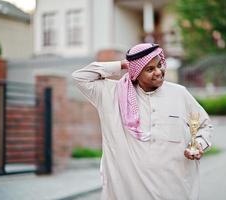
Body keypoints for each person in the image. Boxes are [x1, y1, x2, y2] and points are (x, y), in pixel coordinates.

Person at [72, 43, 213, 200]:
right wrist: (123, 64)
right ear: (136, 72)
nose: (159, 72)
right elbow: (80, 77)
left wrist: (199, 144)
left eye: (160, 65)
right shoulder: (111, 95)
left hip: (174, 191)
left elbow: (204, 126)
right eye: (149, 69)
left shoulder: (179, 94)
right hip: (128, 192)